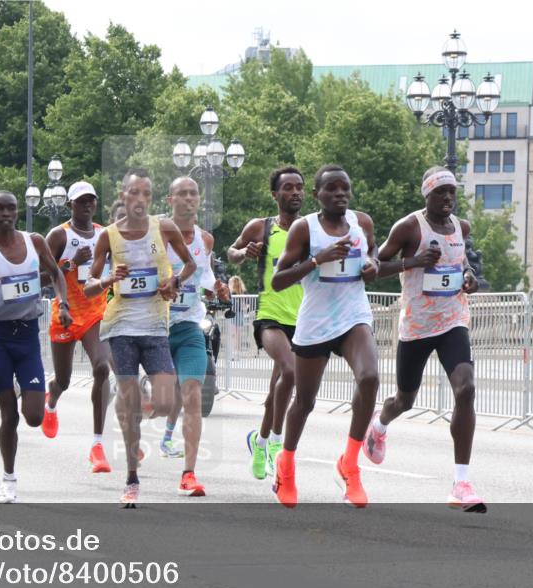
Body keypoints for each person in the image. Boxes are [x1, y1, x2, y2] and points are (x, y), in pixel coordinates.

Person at [368, 167, 485, 512]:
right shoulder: (408, 227)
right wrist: (414, 261)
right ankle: (379, 424)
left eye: (452, 191)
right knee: (405, 400)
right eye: (440, 192)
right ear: (426, 195)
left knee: (466, 388)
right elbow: (375, 265)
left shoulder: (461, 227)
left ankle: (461, 482)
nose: (448, 198)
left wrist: (468, 277)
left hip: (453, 321)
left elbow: (462, 262)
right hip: (417, 326)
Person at [270, 165, 381, 508]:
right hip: (316, 322)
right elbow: (278, 280)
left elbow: (374, 252)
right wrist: (318, 259)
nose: (340, 194)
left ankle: (350, 464)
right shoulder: (306, 229)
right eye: (331, 189)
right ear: (317, 194)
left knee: (370, 377)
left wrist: (373, 264)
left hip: (353, 315)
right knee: (305, 402)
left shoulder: (362, 222)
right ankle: (286, 465)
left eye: (345, 188)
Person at [84, 168, 195, 507]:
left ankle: (134, 402)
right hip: (120, 327)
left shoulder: (164, 228)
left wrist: (173, 284)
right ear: (124, 194)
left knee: (165, 401)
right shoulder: (109, 237)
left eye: (146, 194)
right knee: (131, 408)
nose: (141, 199)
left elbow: (189, 265)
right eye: (135, 193)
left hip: (156, 326)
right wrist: (107, 280)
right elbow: (88, 286)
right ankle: (132, 478)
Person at [0, 191, 71, 503]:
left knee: (33, 416)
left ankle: (34, 390)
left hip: (27, 336)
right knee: (9, 415)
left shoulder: (34, 241)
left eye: (11, 208)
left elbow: (56, 272)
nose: (5, 213)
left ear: (17, 212)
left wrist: (63, 303)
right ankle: (8, 478)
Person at [226, 166, 306, 481]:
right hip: (270, 315)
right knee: (289, 372)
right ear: (275, 194)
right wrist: (245, 252)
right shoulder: (262, 227)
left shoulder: (310, 229)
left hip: (304, 317)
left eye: (299, 187)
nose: (295, 192)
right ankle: (275, 443)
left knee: (278, 390)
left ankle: (257, 442)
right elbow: (231, 252)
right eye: (288, 187)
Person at [157, 177, 231, 496]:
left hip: (188, 326)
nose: (189, 199)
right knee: (155, 398)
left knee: (192, 395)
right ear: (170, 199)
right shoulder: (157, 234)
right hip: (155, 327)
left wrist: (218, 287)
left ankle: (189, 473)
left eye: (194, 194)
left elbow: (204, 273)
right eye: (182, 194)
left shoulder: (205, 239)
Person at [41, 182, 114, 473]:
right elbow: (40, 277)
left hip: (96, 312)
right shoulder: (59, 235)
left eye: (91, 201)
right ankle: (52, 398)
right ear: (70, 204)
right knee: (64, 379)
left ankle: (97, 444)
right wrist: (70, 264)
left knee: (101, 368)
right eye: (81, 201)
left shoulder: (103, 234)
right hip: (66, 314)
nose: (87, 205)